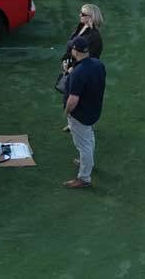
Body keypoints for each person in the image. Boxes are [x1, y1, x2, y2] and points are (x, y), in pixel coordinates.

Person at [62, 37, 106, 190]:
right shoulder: (98, 64)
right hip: (94, 110)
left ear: (75, 51)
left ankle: (84, 178)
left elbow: (73, 99)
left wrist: (67, 112)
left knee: (83, 145)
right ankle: (86, 162)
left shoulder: (78, 72)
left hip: (80, 114)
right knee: (89, 137)